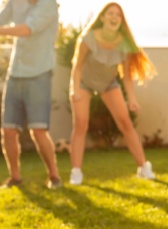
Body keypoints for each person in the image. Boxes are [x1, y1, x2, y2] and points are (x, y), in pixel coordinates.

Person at [0, 0, 62, 189]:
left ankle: (54, 177)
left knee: (38, 130)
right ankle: (15, 178)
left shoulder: (48, 4)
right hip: (15, 73)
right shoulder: (16, 2)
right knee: (8, 130)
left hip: (39, 74)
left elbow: (26, 29)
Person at [68, 2, 158, 185]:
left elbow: (126, 76)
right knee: (80, 125)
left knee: (125, 123)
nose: (114, 17)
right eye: (110, 13)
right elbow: (77, 67)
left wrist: (132, 99)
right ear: (102, 18)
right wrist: (75, 90)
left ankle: (143, 167)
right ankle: (76, 171)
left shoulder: (124, 44)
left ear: (121, 20)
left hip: (109, 83)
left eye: (118, 14)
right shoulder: (88, 38)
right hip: (84, 82)